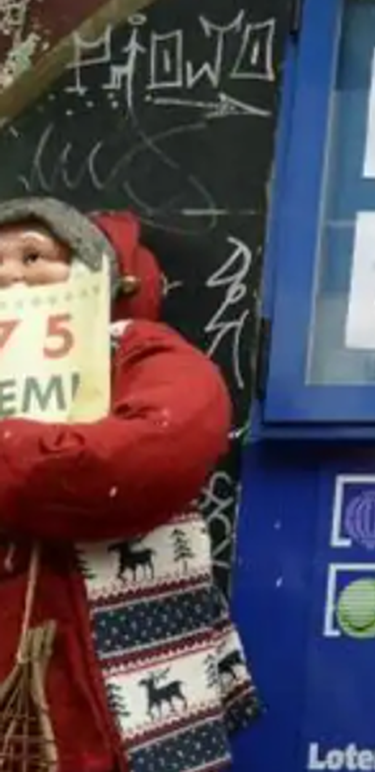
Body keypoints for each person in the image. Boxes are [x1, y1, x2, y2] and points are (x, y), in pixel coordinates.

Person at [0, 198, 257, 772]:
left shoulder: (141, 352)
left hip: (108, 679)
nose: (9, 275)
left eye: (35, 255)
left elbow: (144, 459)